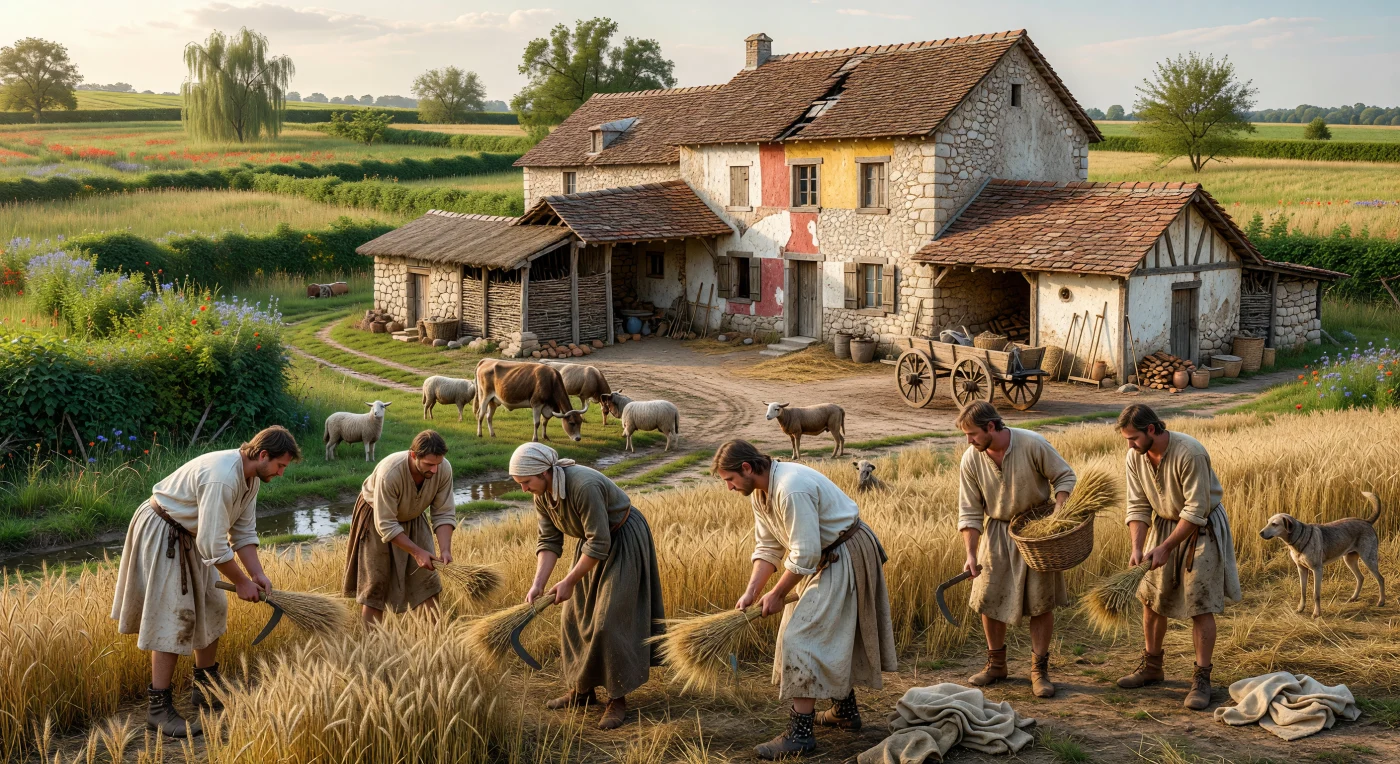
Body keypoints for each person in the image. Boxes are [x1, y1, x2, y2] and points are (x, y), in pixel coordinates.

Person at [111, 425, 301, 737]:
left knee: (213, 605)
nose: (281, 472)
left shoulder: (251, 478)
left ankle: (206, 688)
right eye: (280, 465)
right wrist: (240, 582)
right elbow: (214, 545)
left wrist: (257, 574)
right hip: (164, 531)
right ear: (263, 455)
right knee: (173, 617)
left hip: (191, 535)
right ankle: (158, 710)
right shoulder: (223, 478)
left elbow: (242, 533)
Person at [714, 439, 897, 760]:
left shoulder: (790, 489)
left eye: (729, 479)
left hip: (844, 554)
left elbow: (806, 554)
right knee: (826, 633)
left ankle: (800, 735)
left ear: (746, 468)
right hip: (824, 556)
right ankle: (845, 711)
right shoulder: (760, 492)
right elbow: (768, 547)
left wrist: (778, 593)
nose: (729, 487)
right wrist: (753, 590)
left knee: (801, 638)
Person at [511, 442, 664, 730]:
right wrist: (538, 584)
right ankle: (582, 691)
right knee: (573, 617)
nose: (523, 489)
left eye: (526, 482)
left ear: (544, 472)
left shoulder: (584, 485)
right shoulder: (542, 495)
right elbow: (549, 541)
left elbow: (600, 541)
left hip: (622, 541)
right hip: (592, 547)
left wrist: (569, 581)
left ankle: (617, 698)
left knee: (608, 622)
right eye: (519, 484)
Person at [1115, 404, 1241, 710]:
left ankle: (1202, 679)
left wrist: (1166, 547)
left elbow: (1195, 510)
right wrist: (1138, 547)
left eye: (1133, 438)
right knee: (1151, 598)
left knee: (1200, 601)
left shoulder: (1190, 453)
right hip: (1164, 525)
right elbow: (1138, 505)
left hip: (1201, 528)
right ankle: (1152, 667)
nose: (1129, 445)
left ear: (1152, 430)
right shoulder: (1135, 457)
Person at [956, 401, 1076, 698]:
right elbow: (969, 512)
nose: (969, 441)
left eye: (972, 434)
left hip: (1036, 531)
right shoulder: (971, 459)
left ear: (992, 427)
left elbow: (1065, 476)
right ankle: (997, 664)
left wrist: (1057, 515)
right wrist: (971, 554)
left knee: (1041, 601)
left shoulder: (1032, 444)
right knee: (988, 598)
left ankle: (1039, 670)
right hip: (996, 533)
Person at [342, 430, 457, 626]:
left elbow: (444, 512)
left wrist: (445, 549)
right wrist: (417, 552)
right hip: (375, 517)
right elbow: (386, 524)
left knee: (428, 580)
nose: (435, 470)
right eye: (429, 464)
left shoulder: (442, 468)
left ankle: (435, 637)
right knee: (375, 582)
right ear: (413, 456)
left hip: (413, 516)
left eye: (438, 464)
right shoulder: (391, 472)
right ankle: (373, 644)